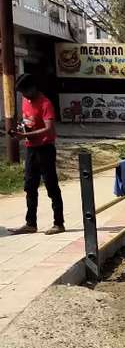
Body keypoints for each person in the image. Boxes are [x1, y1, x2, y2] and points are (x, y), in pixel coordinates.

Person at [10, 74, 65, 235]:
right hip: (31, 149)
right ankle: (30, 223)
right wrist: (21, 131)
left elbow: (49, 128)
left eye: (26, 91)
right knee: (29, 186)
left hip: (45, 148)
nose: (25, 95)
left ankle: (59, 223)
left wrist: (27, 135)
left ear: (33, 87)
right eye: (22, 93)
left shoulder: (45, 103)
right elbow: (27, 121)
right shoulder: (25, 101)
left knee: (51, 185)